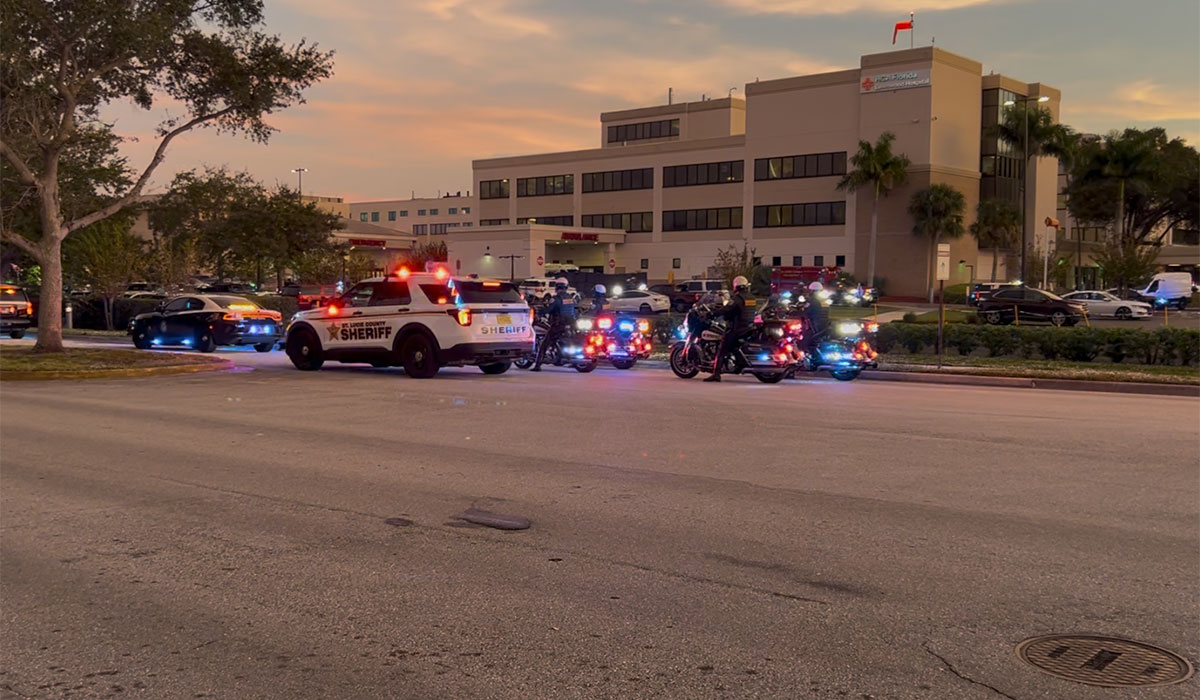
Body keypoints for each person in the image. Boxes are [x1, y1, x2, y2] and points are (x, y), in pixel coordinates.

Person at [705, 275, 754, 382]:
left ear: (736, 286)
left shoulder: (737, 298)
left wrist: (713, 313)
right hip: (748, 327)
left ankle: (716, 374)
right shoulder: (751, 297)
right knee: (733, 347)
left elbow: (726, 309)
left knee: (722, 349)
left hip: (737, 329)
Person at [531, 278, 577, 371]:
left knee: (545, 343)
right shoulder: (570, 298)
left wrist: (538, 311)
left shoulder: (556, 298)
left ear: (557, 287)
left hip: (558, 324)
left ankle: (537, 365)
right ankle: (559, 357)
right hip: (571, 323)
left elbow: (549, 309)